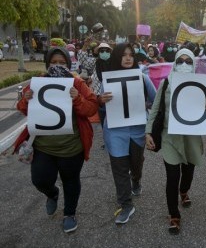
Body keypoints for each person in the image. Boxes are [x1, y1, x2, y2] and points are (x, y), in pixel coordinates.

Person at [14, 47, 98, 233]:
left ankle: (69, 213)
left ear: (69, 65)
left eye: (62, 63)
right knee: (40, 180)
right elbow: (22, 109)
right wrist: (26, 100)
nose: (57, 66)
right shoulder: (39, 82)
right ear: (47, 64)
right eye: (54, 63)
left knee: (71, 180)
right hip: (43, 147)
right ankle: (52, 194)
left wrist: (77, 99)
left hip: (71, 147)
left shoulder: (77, 84)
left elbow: (91, 108)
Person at [145, 48, 203, 235]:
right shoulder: (166, 82)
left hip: (191, 138)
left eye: (188, 61)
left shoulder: (201, 84)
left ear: (193, 63)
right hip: (169, 136)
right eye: (180, 61)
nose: (184, 64)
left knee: (188, 173)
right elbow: (155, 110)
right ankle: (174, 215)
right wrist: (148, 133)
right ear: (175, 62)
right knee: (172, 177)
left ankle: (184, 191)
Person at [98, 43, 156, 224]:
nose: (128, 58)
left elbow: (155, 100)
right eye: (124, 55)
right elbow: (99, 103)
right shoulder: (106, 81)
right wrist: (101, 100)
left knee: (135, 165)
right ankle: (126, 204)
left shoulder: (142, 78)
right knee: (119, 168)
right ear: (117, 57)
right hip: (115, 131)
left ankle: (136, 180)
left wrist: (146, 106)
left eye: (131, 54)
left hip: (138, 130)